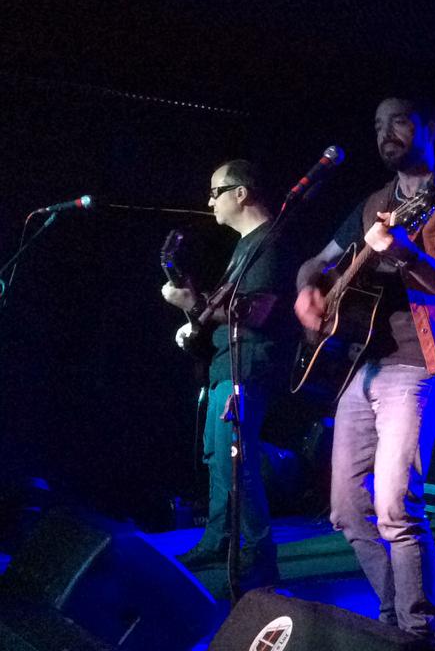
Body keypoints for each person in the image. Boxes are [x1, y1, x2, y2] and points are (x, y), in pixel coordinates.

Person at [294, 96, 435, 641]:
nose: (386, 133)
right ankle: (392, 619)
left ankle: (417, 630)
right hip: (362, 366)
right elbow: (316, 262)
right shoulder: (372, 204)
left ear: (429, 128)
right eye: (378, 124)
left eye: (398, 121)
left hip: (418, 362)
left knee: (395, 505)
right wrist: (309, 291)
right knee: (346, 509)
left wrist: (403, 252)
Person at [162, 159, 297, 587]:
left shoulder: (271, 241)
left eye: (215, 191)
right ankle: (218, 539)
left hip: (249, 363)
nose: (209, 202)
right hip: (228, 362)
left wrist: (193, 302)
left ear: (241, 193)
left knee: (238, 461)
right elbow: (227, 309)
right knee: (219, 455)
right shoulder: (245, 246)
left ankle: (259, 553)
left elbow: (255, 313)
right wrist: (194, 319)